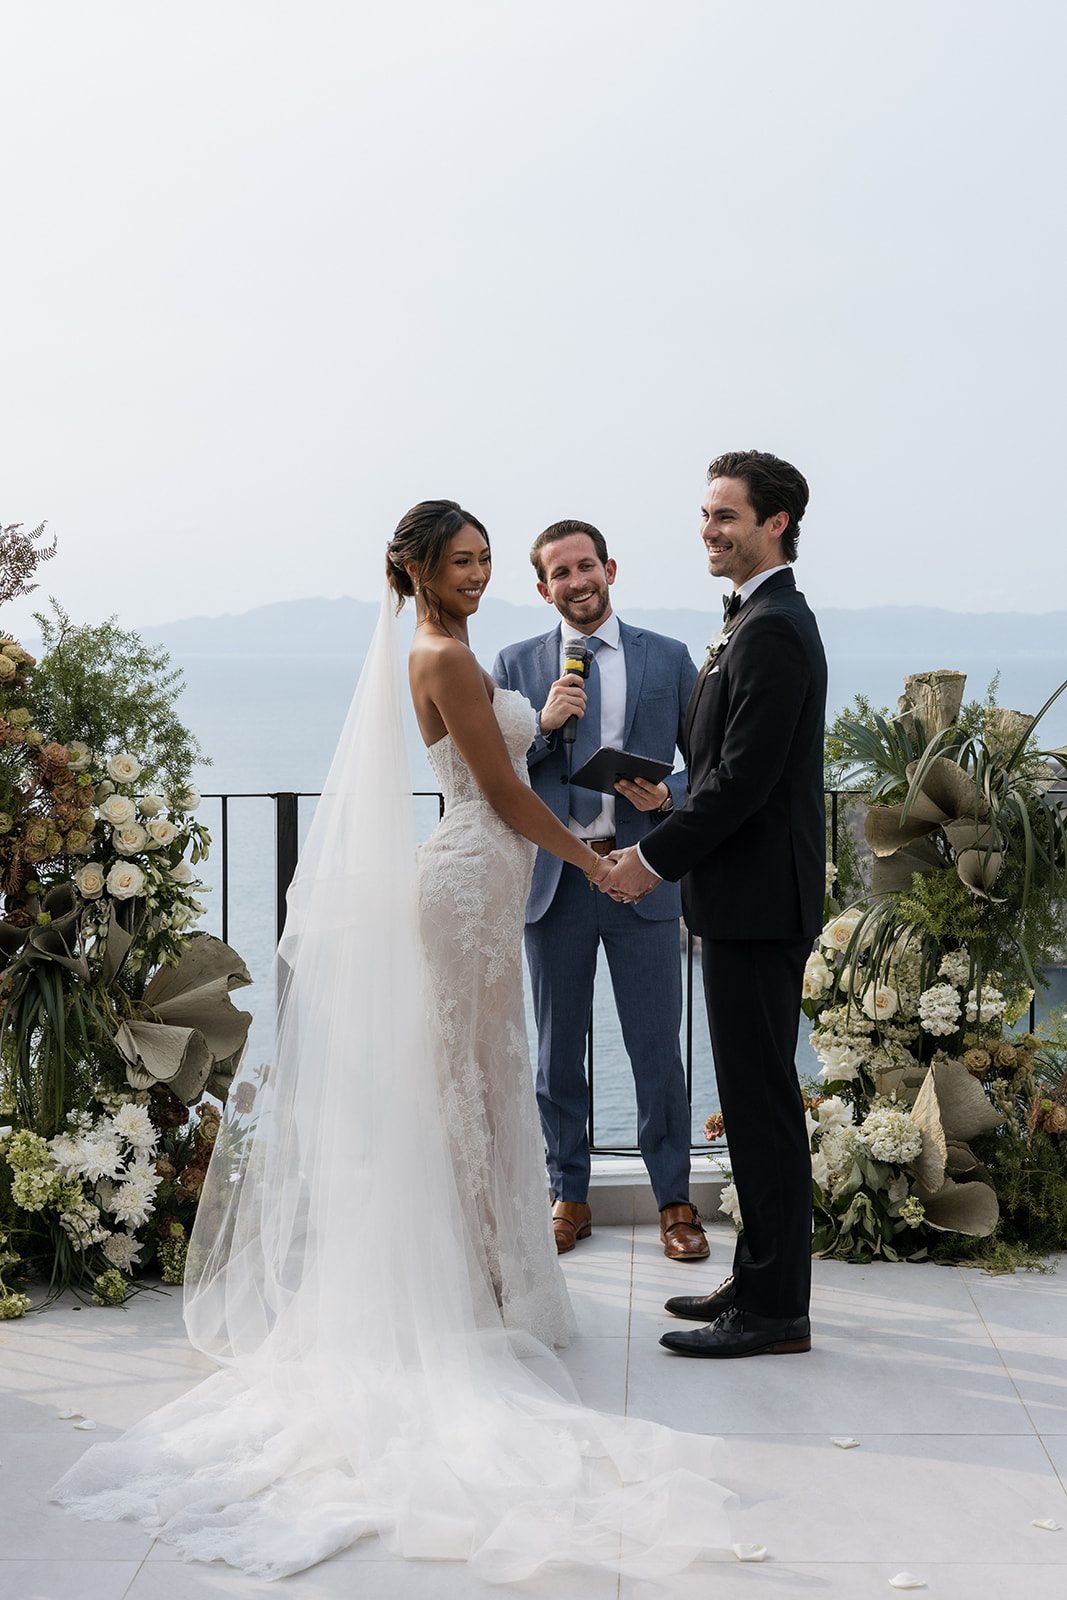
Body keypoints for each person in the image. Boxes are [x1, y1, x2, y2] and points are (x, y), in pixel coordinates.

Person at [52, 500, 732, 1580]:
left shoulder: (455, 647)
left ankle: (488, 1272)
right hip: (468, 883)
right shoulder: (443, 655)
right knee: (470, 1081)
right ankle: (470, 1286)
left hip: (482, 884)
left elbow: (512, 768)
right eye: (460, 562)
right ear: (416, 572)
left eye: (483, 560)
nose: (478, 574)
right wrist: (597, 858)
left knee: (483, 1080)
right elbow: (503, 793)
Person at [603, 453, 826, 1360]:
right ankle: (758, 1277)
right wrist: (671, 808)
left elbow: (744, 782)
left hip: (757, 903)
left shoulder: (773, 628)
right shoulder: (749, 620)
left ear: (774, 523)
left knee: (762, 1104)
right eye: (705, 514)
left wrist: (650, 861)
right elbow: (724, 771)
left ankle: (776, 1311)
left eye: (725, 515)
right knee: (747, 1095)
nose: (708, 529)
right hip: (741, 898)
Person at [492, 520, 708, 1261]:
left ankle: (674, 1203)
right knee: (557, 1053)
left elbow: (705, 765)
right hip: (556, 878)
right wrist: (545, 728)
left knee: (655, 1050)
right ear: (543, 587)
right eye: (561, 572)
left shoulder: (668, 657)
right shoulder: (514, 664)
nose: (577, 581)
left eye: (587, 566)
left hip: (639, 875)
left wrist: (666, 797)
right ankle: (568, 1196)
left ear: (608, 569)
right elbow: (495, 774)